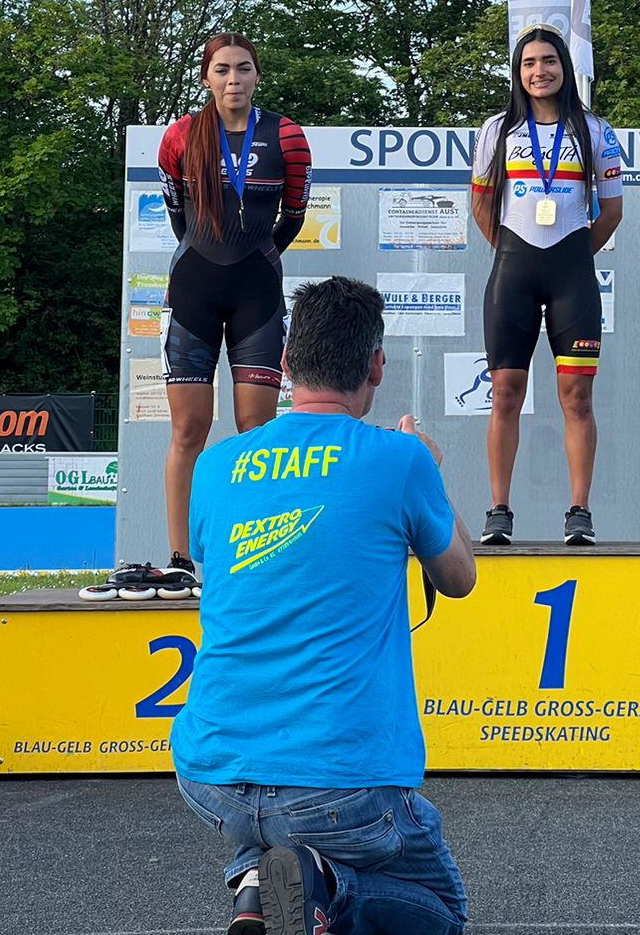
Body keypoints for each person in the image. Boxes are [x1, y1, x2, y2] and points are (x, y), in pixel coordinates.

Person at [172, 276, 476, 935]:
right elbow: (458, 577)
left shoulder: (216, 465)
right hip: (344, 787)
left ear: (283, 364)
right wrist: (431, 472)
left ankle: (255, 876)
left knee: (275, 828)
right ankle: (323, 887)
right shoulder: (398, 459)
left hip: (212, 776)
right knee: (442, 913)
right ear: (374, 367)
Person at [155, 31, 312, 589]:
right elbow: (179, 217)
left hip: (258, 292)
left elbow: (291, 217)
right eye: (222, 70)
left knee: (256, 430)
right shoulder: (180, 137)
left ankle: (255, 553)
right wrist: (209, 254)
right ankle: (179, 558)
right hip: (195, 288)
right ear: (206, 78)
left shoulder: (286, 136)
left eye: (243, 69)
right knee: (188, 430)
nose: (233, 80)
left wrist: (257, 256)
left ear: (257, 75)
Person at [470, 25, 622, 546]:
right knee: (504, 395)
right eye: (530, 62)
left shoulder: (595, 130)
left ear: (564, 68)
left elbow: (613, 209)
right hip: (512, 270)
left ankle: (579, 510)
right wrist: (512, 252)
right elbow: (482, 204)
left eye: (550, 61)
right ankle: (498, 510)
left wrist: (574, 256)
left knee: (576, 396)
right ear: (518, 71)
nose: (540, 71)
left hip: (571, 274)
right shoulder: (497, 130)